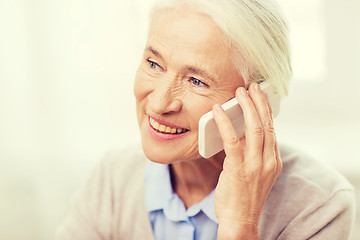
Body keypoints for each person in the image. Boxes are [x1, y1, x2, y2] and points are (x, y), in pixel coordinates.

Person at [56, 0, 355, 239]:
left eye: (197, 81)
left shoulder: (318, 207)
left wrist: (241, 227)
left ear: (258, 99)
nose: (159, 104)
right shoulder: (113, 180)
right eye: (153, 63)